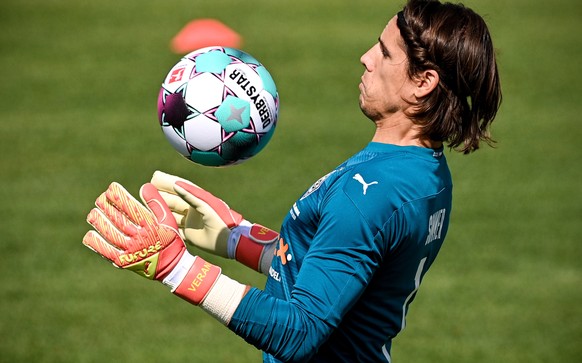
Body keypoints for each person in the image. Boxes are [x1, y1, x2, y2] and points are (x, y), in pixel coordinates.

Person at [82, 0, 502, 361]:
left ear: (423, 84)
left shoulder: (370, 193)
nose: (366, 57)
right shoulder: (424, 172)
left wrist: (178, 267)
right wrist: (239, 239)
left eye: (385, 52)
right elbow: (347, 277)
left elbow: (299, 331)